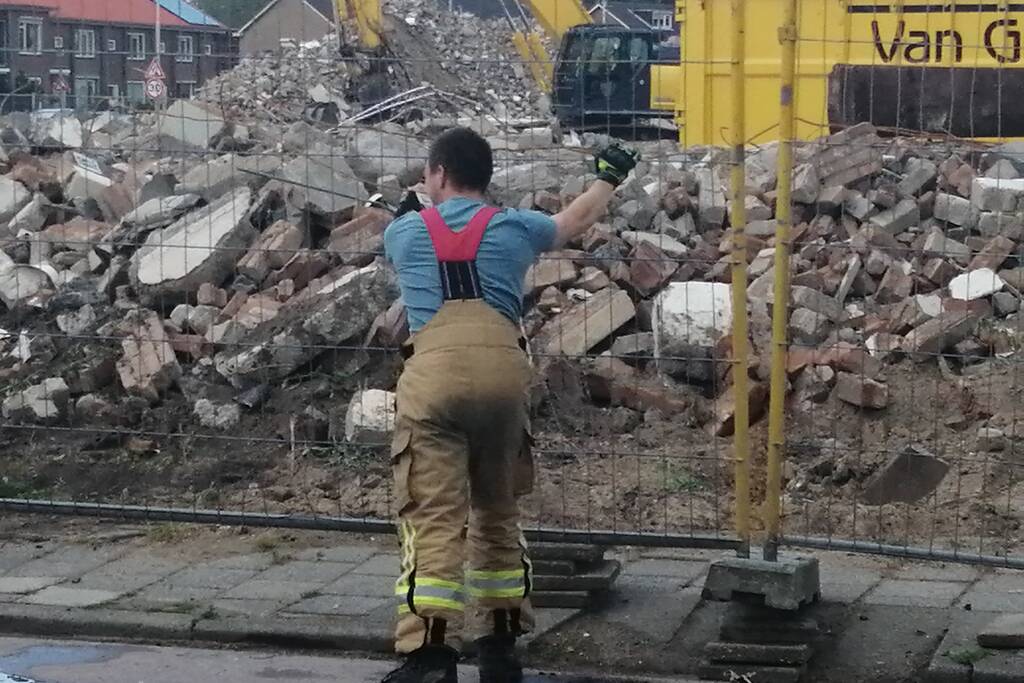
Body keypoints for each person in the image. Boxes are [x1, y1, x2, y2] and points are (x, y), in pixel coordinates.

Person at [382, 127, 637, 683]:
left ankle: (430, 655)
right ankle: (500, 648)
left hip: (434, 381)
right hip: (502, 378)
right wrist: (608, 178)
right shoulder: (514, 227)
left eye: (429, 175)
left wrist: (409, 210)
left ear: (439, 174)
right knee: (497, 509)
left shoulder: (403, 233)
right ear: (486, 177)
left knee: (433, 516)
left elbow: (409, 236)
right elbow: (574, 221)